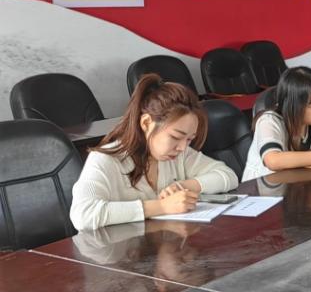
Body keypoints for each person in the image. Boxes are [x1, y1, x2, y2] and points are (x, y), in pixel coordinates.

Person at [70, 74, 239, 230]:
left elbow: (227, 176)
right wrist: (162, 206)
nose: (182, 147)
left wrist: (182, 186)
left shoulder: (178, 155)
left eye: (189, 139)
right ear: (146, 123)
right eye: (175, 137)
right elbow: (83, 214)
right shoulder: (105, 159)